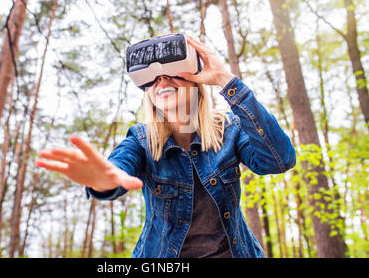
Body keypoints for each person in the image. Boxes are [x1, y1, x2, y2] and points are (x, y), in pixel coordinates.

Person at [35, 35, 296, 258]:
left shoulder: (229, 129)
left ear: (196, 83)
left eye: (171, 73)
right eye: (152, 78)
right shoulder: (140, 140)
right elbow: (117, 170)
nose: (161, 81)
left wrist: (226, 80)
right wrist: (103, 179)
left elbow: (279, 160)